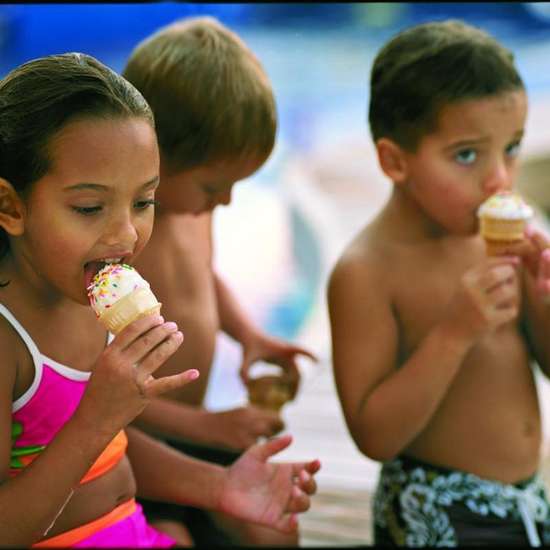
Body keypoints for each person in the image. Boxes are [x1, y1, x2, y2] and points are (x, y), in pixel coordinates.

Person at [0, 51, 321, 548]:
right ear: (10, 206)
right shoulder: (8, 342)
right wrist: (98, 418)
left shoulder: (85, 305)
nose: (126, 233)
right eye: (89, 207)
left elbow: (111, 451)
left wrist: (222, 487)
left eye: (144, 201)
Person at [327, 19, 550, 547]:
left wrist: (542, 299)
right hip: (432, 511)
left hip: (526, 503)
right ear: (394, 161)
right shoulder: (367, 271)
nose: (499, 177)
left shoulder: (500, 241)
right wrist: (455, 333)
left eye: (512, 147)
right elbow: (374, 435)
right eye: (468, 154)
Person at [121, 16, 318, 546]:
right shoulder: (122, 239)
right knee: (168, 537)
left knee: (275, 530)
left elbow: (202, 277)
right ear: (156, 154)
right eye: (216, 185)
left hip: (194, 429)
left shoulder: (193, 209)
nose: (226, 200)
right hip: (133, 444)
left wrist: (249, 335)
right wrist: (212, 428)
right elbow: (97, 388)